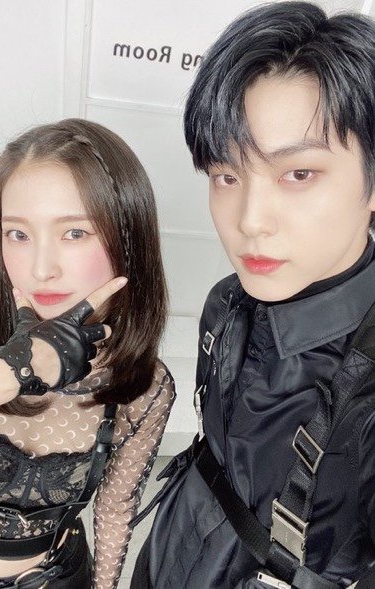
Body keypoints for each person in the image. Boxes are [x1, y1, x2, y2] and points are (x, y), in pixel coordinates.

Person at [131, 2, 375, 588]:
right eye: (227, 176)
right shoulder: (228, 300)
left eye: (298, 174)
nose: (249, 221)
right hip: (171, 549)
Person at [0, 118, 175, 589]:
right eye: (18, 234)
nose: (41, 269)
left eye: (75, 233)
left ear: (129, 239)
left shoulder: (146, 387)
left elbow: (115, 509)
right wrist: (15, 367)